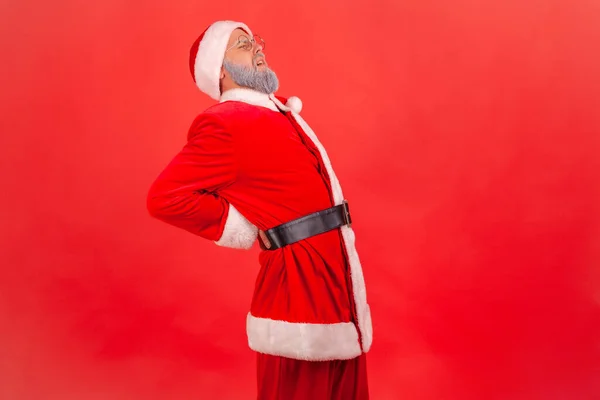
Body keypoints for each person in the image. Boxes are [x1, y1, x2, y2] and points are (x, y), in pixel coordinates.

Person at [146, 20, 373, 400]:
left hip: (340, 289)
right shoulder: (225, 123)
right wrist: (242, 227)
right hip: (298, 299)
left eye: (255, 40)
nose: (257, 47)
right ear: (220, 68)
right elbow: (164, 197)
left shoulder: (281, 115)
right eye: (242, 43)